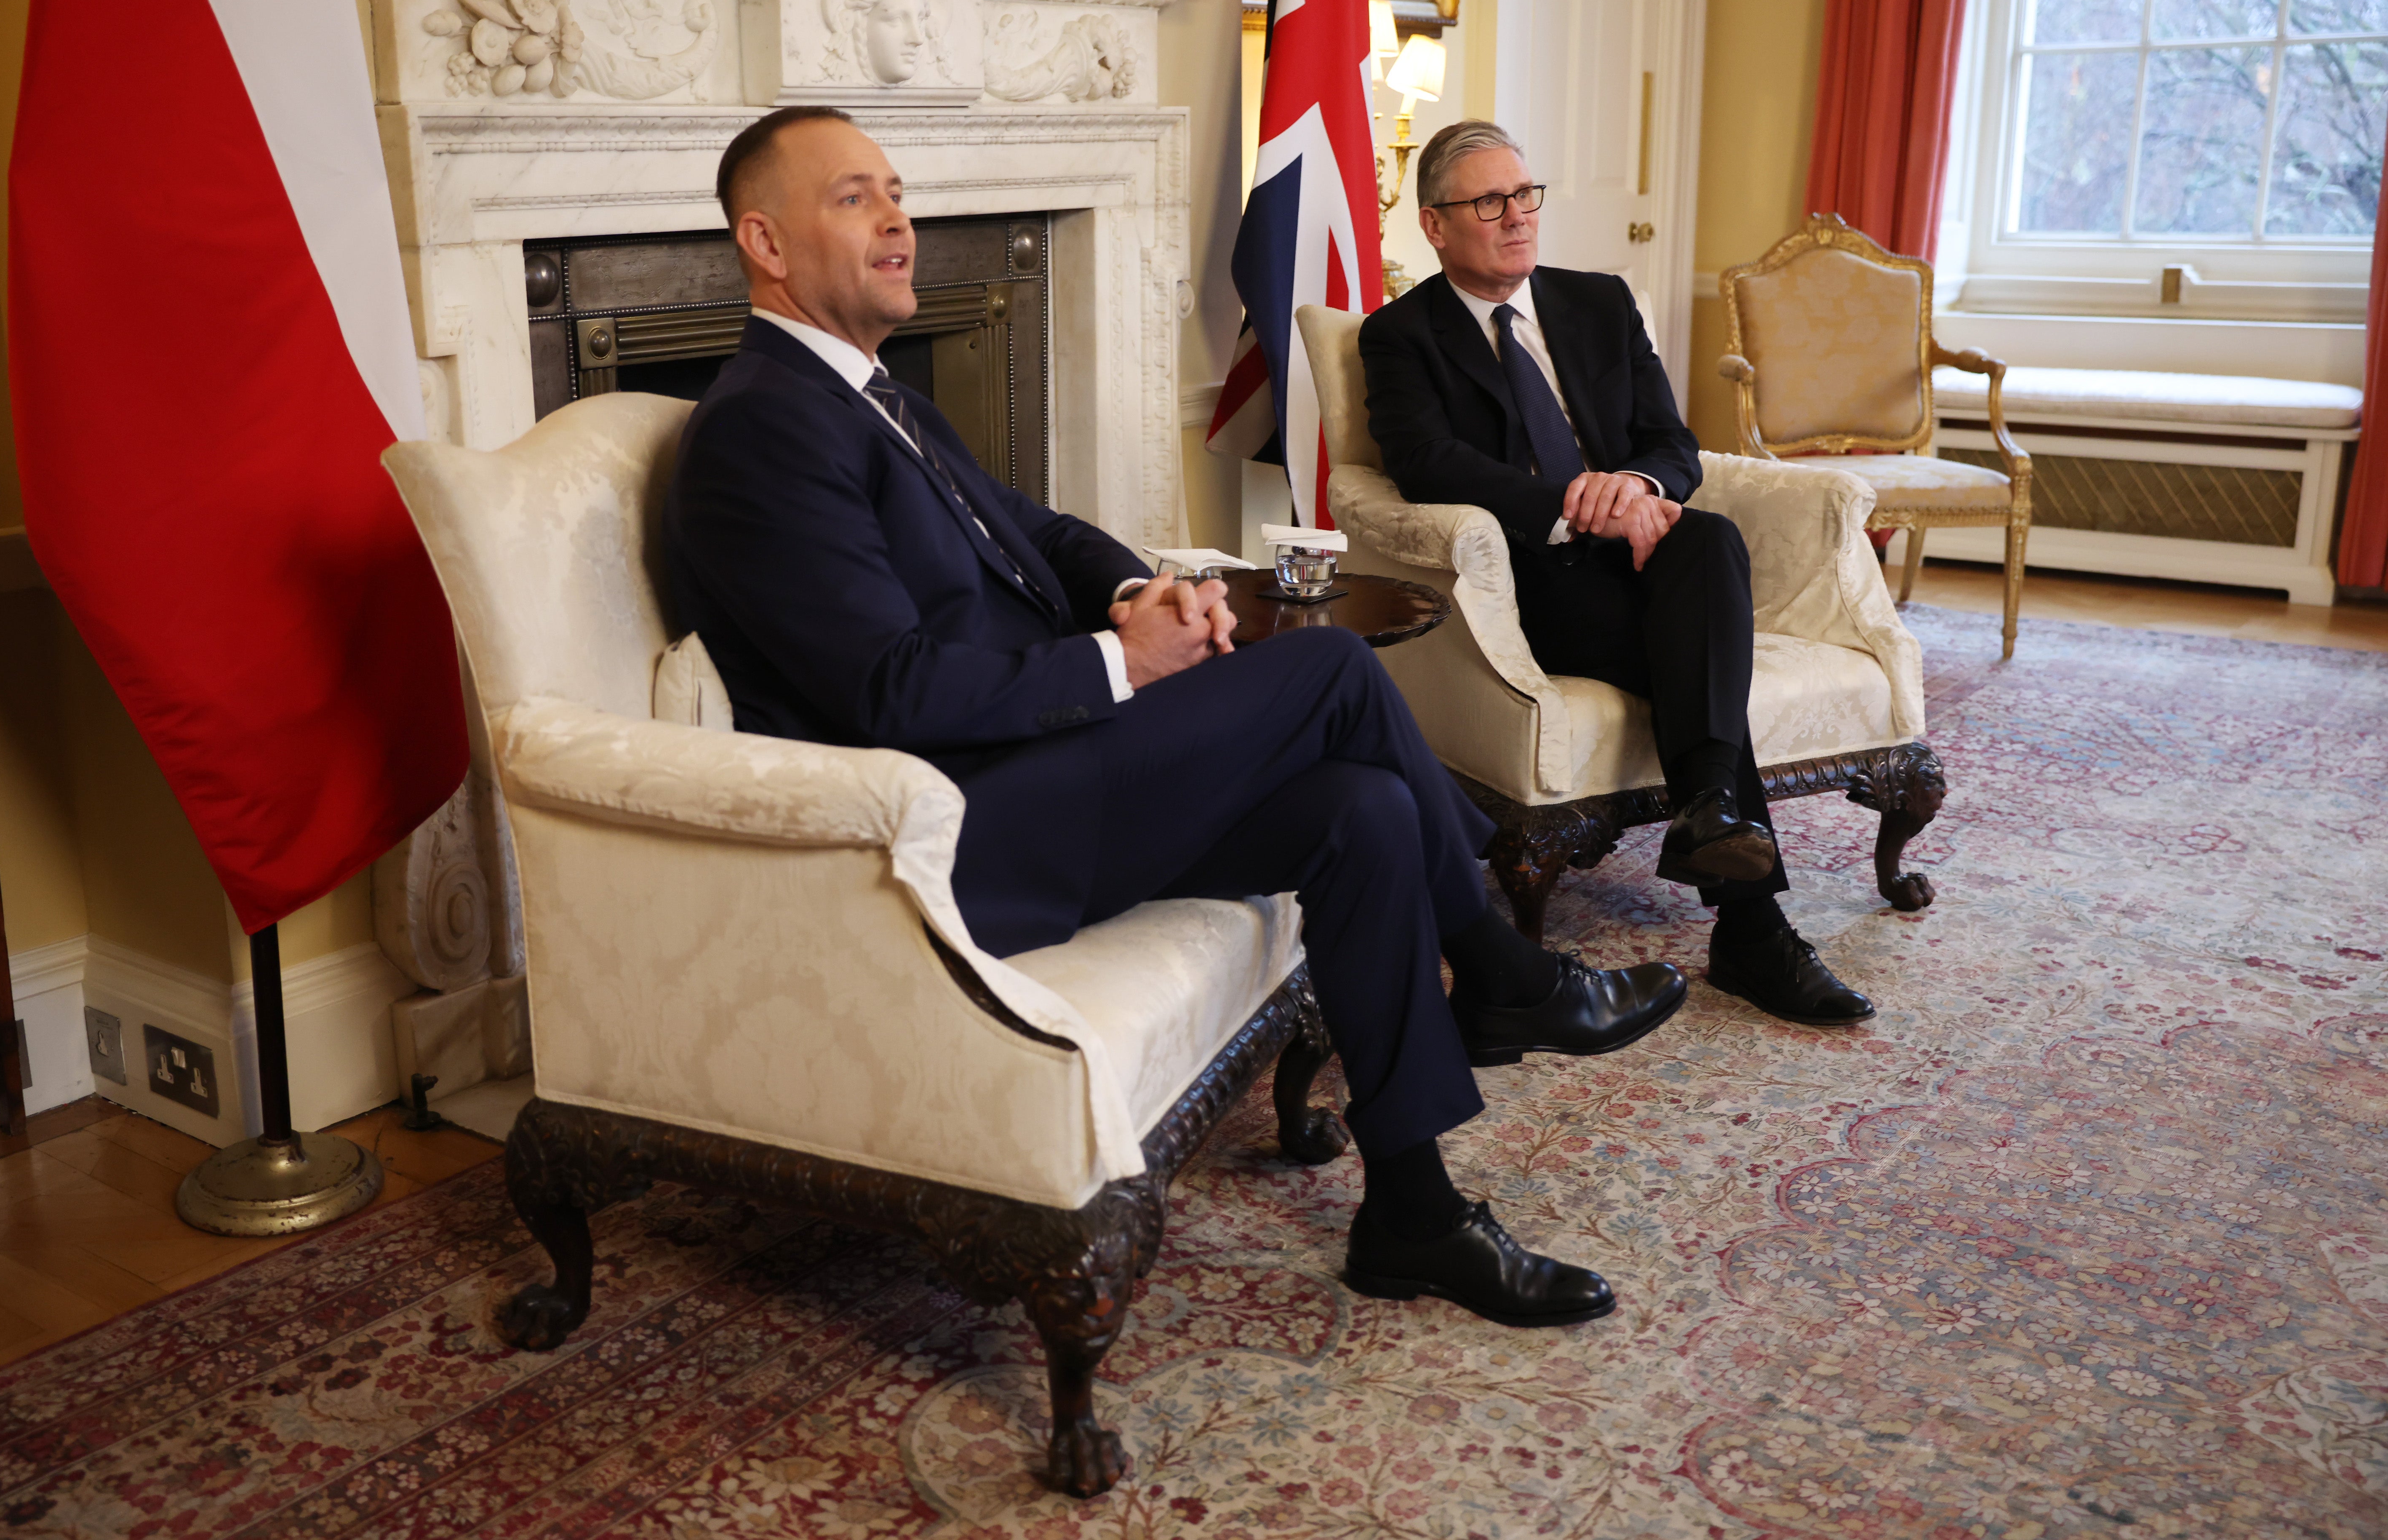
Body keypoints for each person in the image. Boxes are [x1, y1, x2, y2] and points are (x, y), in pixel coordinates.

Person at [664, 106, 1690, 1329]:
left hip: (1039, 772)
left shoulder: (874, 391)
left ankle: (1410, 1210)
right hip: (949, 828)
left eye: (898, 190)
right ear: (764, 242)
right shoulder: (761, 426)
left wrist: (1127, 590)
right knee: (1327, 671)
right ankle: (1509, 970)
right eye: (854, 198)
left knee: (1359, 809)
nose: (899, 219)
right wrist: (1119, 662)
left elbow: (1029, 529)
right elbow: (884, 691)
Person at [1358, 119, 1874, 1026]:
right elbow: (1428, 463)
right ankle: (1751, 927)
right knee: (1697, 643)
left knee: (1708, 539)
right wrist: (1578, 500)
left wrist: (1637, 488)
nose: (1518, 217)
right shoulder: (1401, 335)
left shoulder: (1599, 302)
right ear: (1434, 225)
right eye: (1489, 202)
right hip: (1534, 580)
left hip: (1648, 550)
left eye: (1526, 195)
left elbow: (1671, 442)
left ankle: (1714, 806)